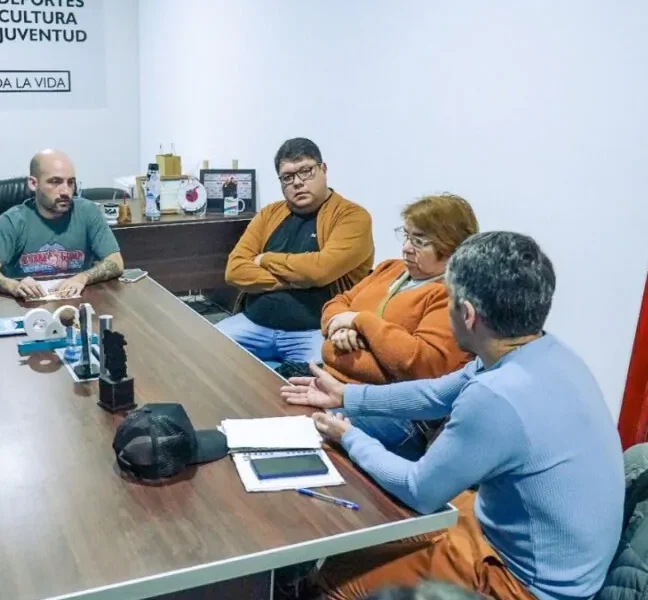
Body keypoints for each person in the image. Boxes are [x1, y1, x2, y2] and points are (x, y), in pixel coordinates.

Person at [281, 232, 624, 600]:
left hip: (526, 584)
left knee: (337, 582)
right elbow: (436, 394)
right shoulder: (544, 349)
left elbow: (419, 490)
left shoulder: (495, 396)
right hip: (526, 540)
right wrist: (347, 396)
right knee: (374, 536)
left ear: (468, 315)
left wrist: (349, 437)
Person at [314, 193, 479, 460]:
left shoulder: (450, 295)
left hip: (394, 412)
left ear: (452, 246)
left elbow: (419, 363)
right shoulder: (390, 268)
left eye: (419, 241)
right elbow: (337, 303)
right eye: (406, 236)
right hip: (335, 383)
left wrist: (360, 321)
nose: (406, 248)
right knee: (278, 400)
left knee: (309, 430)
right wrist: (341, 327)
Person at [218, 137, 374, 364]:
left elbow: (320, 271)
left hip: (314, 331)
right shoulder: (269, 214)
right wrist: (301, 279)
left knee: (319, 378)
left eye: (306, 171)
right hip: (253, 324)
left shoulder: (352, 217)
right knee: (202, 350)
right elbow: (234, 271)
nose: (298, 183)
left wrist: (265, 259)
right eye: (288, 177)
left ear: (323, 169)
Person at [0, 149, 124, 299]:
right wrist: (13, 286)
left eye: (70, 182)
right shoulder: (13, 220)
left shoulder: (88, 212)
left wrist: (82, 278)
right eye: (55, 182)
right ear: (33, 183)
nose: (65, 191)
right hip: (27, 306)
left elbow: (115, 262)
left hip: (76, 302)